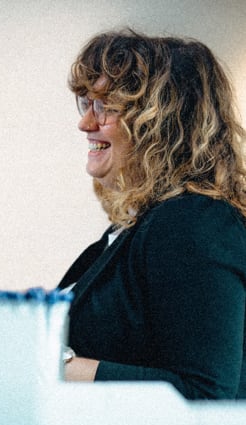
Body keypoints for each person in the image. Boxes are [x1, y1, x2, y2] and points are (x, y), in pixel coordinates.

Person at [59, 29, 246, 399]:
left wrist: (54, 366)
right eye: (87, 103)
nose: (85, 123)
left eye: (106, 106)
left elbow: (203, 393)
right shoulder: (140, 223)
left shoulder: (194, 221)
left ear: (159, 121)